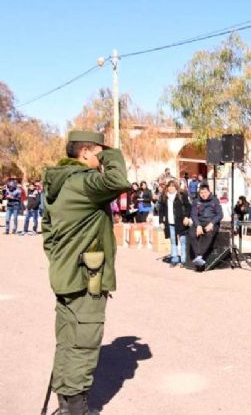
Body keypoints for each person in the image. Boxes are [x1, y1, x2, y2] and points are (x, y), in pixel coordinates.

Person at [42, 130, 130, 415]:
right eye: (97, 153)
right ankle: (77, 410)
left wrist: (60, 260)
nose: (101, 159)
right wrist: (111, 153)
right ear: (84, 153)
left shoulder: (57, 184)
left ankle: (65, 406)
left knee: (68, 342)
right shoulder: (83, 182)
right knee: (85, 343)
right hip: (86, 278)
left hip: (65, 274)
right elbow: (119, 181)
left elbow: (47, 233)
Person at [189, 184, 223, 272]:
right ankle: (199, 257)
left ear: (209, 192)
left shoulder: (215, 200)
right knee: (192, 234)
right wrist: (198, 225)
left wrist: (212, 223)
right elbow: (193, 214)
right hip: (199, 222)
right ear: (199, 193)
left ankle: (199, 256)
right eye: (201, 193)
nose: (203, 194)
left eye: (205, 192)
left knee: (208, 234)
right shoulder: (196, 201)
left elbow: (220, 214)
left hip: (211, 222)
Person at [159, 180, 192, 266]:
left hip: (181, 222)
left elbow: (188, 206)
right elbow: (161, 210)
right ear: (167, 188)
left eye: (173, 186)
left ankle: (184, 260)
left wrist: (186, 216)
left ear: (176, 187)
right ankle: (175, 258)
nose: (171, 188)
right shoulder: (164, 197)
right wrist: (161, 221)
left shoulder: (181, 195)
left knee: (183, 241)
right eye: (169, 186)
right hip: (170, 222)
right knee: (173, 241)